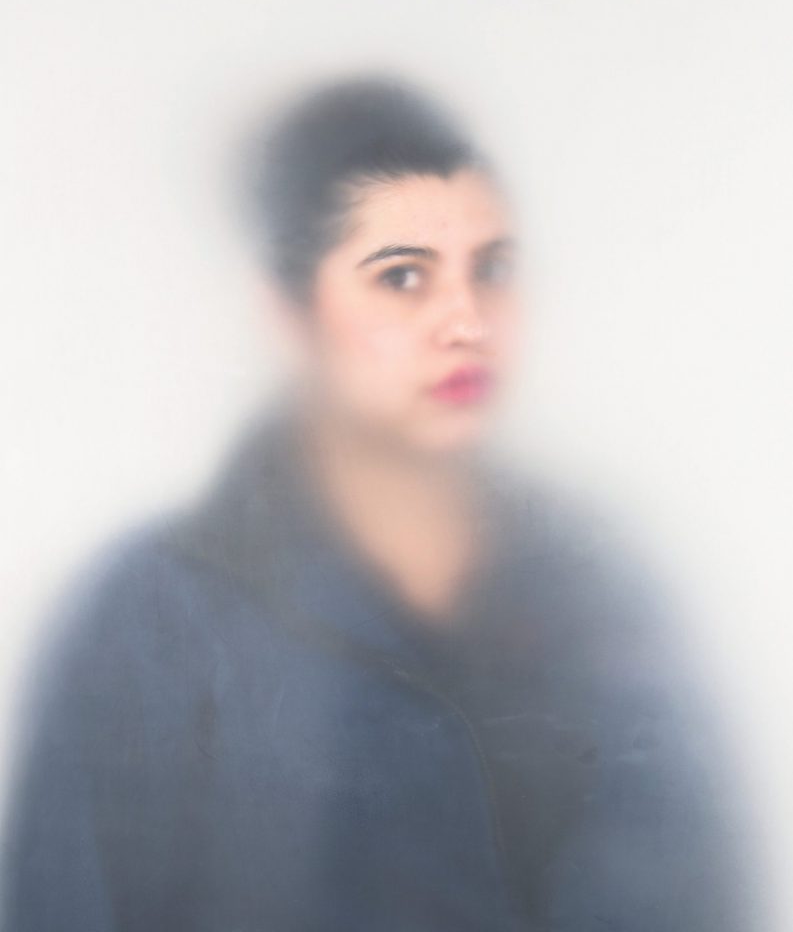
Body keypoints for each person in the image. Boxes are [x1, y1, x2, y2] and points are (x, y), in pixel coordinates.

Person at [1, 75, 760, 931]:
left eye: (492, 269)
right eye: (402, 278)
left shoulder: (604, 586)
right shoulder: (148, 616)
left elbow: (704, 891)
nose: (464, 320)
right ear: (290, 312)